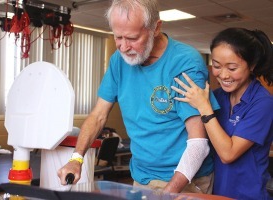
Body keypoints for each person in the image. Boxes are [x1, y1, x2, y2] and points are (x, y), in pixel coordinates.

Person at [57, 0, 219, 194]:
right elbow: (98, 115)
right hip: (141, 177)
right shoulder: (119, 61)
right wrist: (77, 159)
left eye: (132, 38)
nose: (124, 47)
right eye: (118, 37)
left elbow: (198, 145)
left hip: (186, 178)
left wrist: (166, 195)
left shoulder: (185, 63)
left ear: (155, 28)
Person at [171, 27, 273, 199]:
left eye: (232, 68)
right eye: (217, 66)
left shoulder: (263, 102)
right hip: (218, 191)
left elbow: (228, 154)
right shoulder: (218, 97)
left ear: (252, 66)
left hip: (249, 194)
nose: (223, 75)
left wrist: (204, 107)